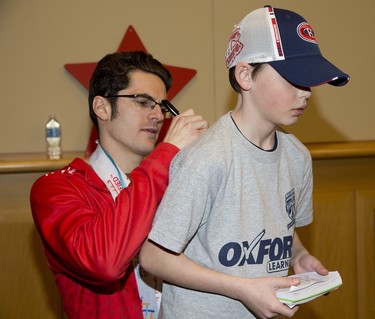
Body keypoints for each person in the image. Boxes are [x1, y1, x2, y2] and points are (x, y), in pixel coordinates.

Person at [140, 6, 349, 319]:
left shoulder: (297, 157)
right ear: (245, 75)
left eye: (309, 83)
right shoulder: (207, 158)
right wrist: (241, 288)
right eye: (294, 80)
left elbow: (278, 225)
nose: (306, 94)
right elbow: (154, 257)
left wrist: (300, 255)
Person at [30, 50, 208, 319]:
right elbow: (105, 262)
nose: (158, 116)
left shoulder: (176, 179)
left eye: (161, 105)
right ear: (102, 107)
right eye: (143, 101)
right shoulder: (56, 189)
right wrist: (166, 152)